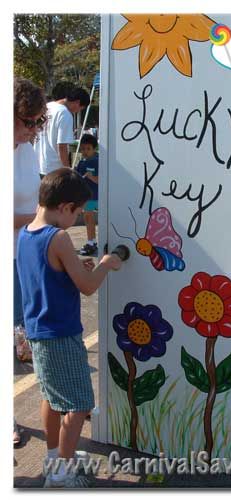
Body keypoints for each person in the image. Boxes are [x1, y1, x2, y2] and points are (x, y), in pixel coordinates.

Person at [16, 169, 122, 487]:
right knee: (78, 404)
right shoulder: (59, 237)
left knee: (51, 396)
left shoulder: (26, 232)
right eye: (77, 211)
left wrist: (75, 265)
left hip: (38, 332)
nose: (77, 217)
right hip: (60, 333)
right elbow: (88, 286)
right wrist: (106, 264)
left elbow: (50, 273)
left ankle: (54, 458)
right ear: (64, 207)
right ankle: (62, 473)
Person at [14, 77, 47, 445]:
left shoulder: (27, 149)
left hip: (24, 253)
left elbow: (35, 198)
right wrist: (37, 219)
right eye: (29, 121)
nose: (35, 128)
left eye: (38, 121)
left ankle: (56, 405)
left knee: (25, 338)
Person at [34, 87, 90, 176]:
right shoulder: (65, 114)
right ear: (77, 102)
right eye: (81, 109)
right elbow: (62, 146)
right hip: (54, 169)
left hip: (37, 165)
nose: (78, 111)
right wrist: (68, 171)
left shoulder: (47, 107)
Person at [75, 134, 99, 256]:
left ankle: (95, 241)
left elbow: (101, 180)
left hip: (99, 196)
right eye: (83, 149)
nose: (85, 151)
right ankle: (91, 241)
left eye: (88, 149)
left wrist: (91, 177)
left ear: (94, 148)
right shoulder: (81, 162)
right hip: (87, 197)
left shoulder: (98, 161)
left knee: (101, 218)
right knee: (88, 218)